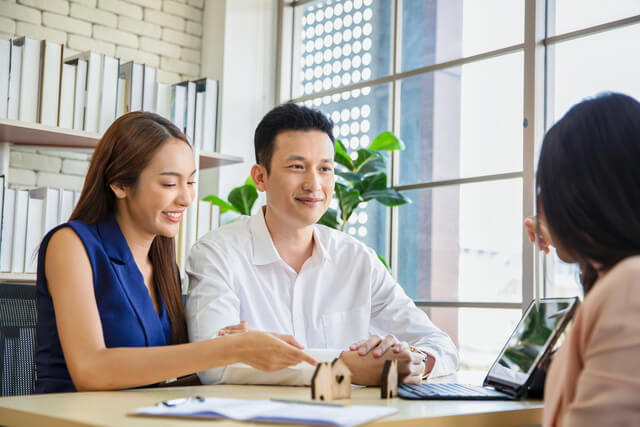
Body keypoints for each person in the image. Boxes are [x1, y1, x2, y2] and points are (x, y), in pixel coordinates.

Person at [34, 112, 316, 393]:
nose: (186, 198)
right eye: (170, 184)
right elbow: (91, 371)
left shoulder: (160, 262)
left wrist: (241, 355)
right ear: (119, 184)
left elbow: (157, 382)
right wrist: (225, 350)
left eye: (191, 182)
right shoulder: (70, 244)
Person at [186, 103, 458, 386]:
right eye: (297, 167)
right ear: (260, 177)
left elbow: (440, 345)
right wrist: (343, 366)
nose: (314, 184)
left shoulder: (357, 259)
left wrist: (413, 361)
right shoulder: (216, 255)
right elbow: (213, 365)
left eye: (325, 168)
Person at [523, 93, 640, 426]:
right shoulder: (621, 279)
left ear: (579, 193)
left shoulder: (629, 287)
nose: (541, 203)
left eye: (546, 188)